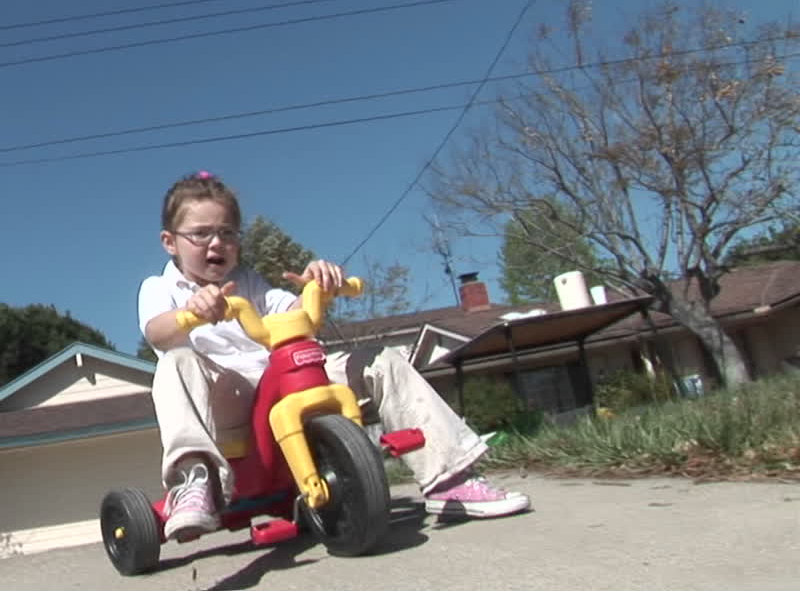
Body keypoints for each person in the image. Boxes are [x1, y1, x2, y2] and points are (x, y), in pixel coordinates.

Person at [138, 171, 530, 541]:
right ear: (170, 242)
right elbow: (157, 331)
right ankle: (193, 481)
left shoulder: (249, 283)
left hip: (278, 385)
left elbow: (296, 317)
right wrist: (192, 312)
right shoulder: (160, 287)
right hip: (224, 400)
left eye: (227, 232)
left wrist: (319, 285)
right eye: (201, 234)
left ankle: (449, 478)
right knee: (175, 363)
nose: (216, 243)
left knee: (380, 360)